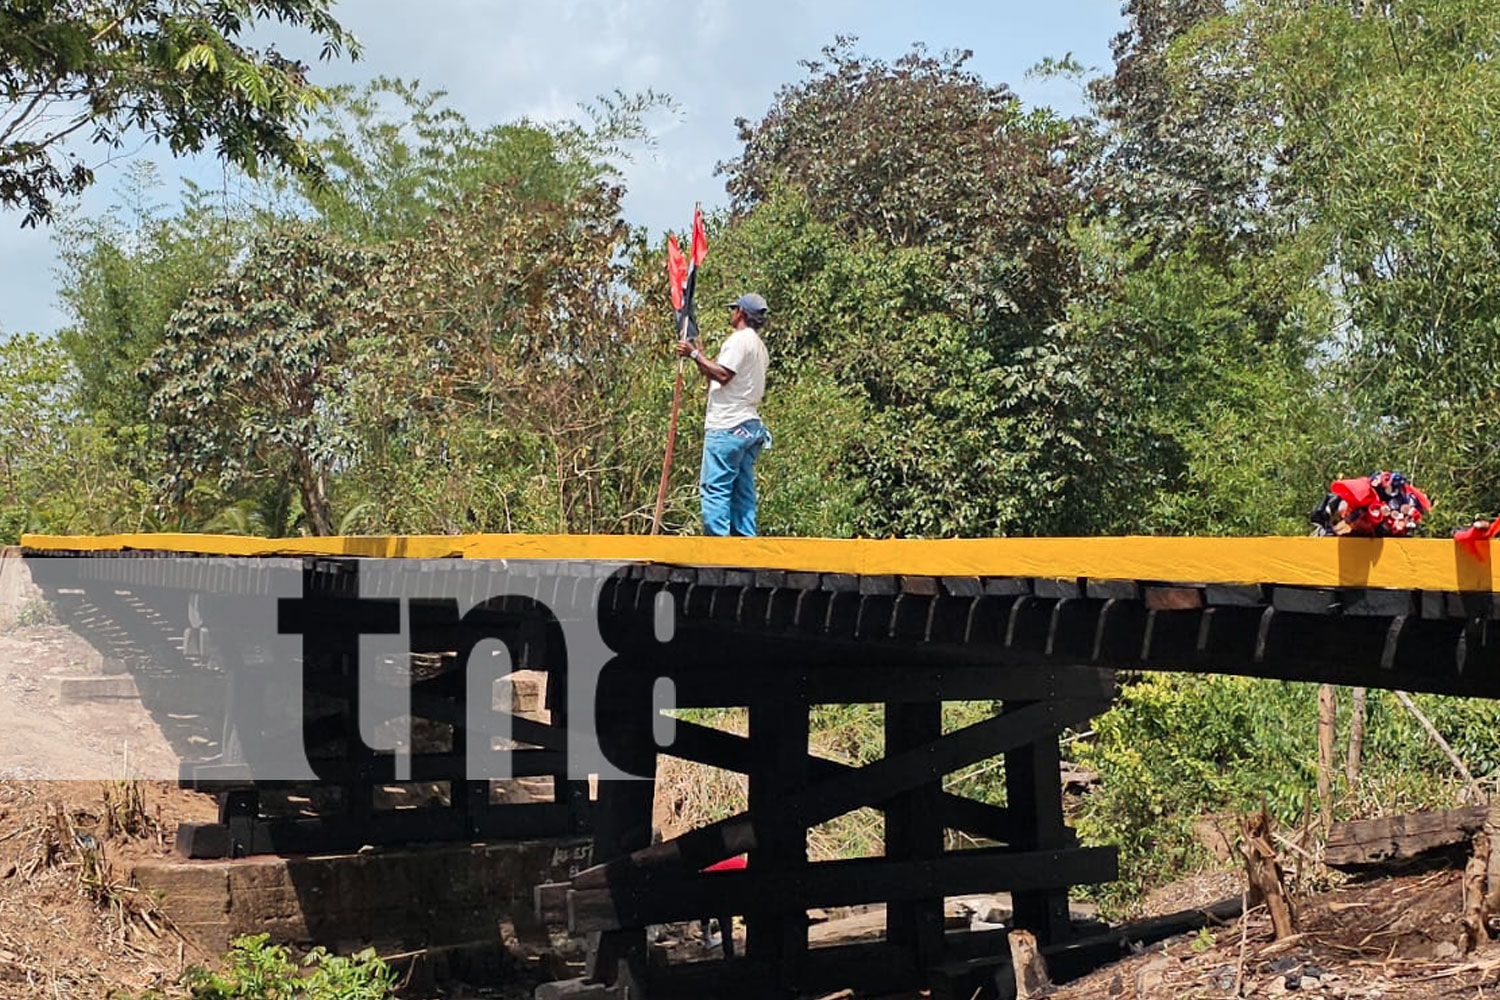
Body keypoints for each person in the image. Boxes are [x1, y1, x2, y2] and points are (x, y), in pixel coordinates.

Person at [675, 293, 771, 536]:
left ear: (740, 312)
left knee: (715, 487)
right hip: (749, 425)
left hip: (728, 424)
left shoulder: (740, 340)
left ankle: (717, 549)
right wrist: (700, 356)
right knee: (742, 490)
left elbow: (723, 375)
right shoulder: (759, 347)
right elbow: (718, 377)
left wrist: (694, 355)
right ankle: (744, 545)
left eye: (734, 310)